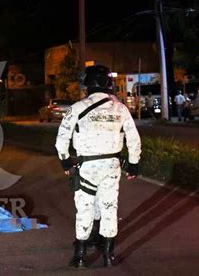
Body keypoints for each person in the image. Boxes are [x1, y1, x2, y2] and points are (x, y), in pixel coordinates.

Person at [55, 65, 141, 268]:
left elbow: (61, 139)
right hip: (111, 166)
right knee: (109, 208)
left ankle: (80, 257)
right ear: (108, 85)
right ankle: (109, 256)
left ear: (87, 85)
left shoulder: (77, 108)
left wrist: (65, 160)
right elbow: (134, 139)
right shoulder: (120, 108)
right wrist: (133, 164)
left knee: (84, 208)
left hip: (86, 166)